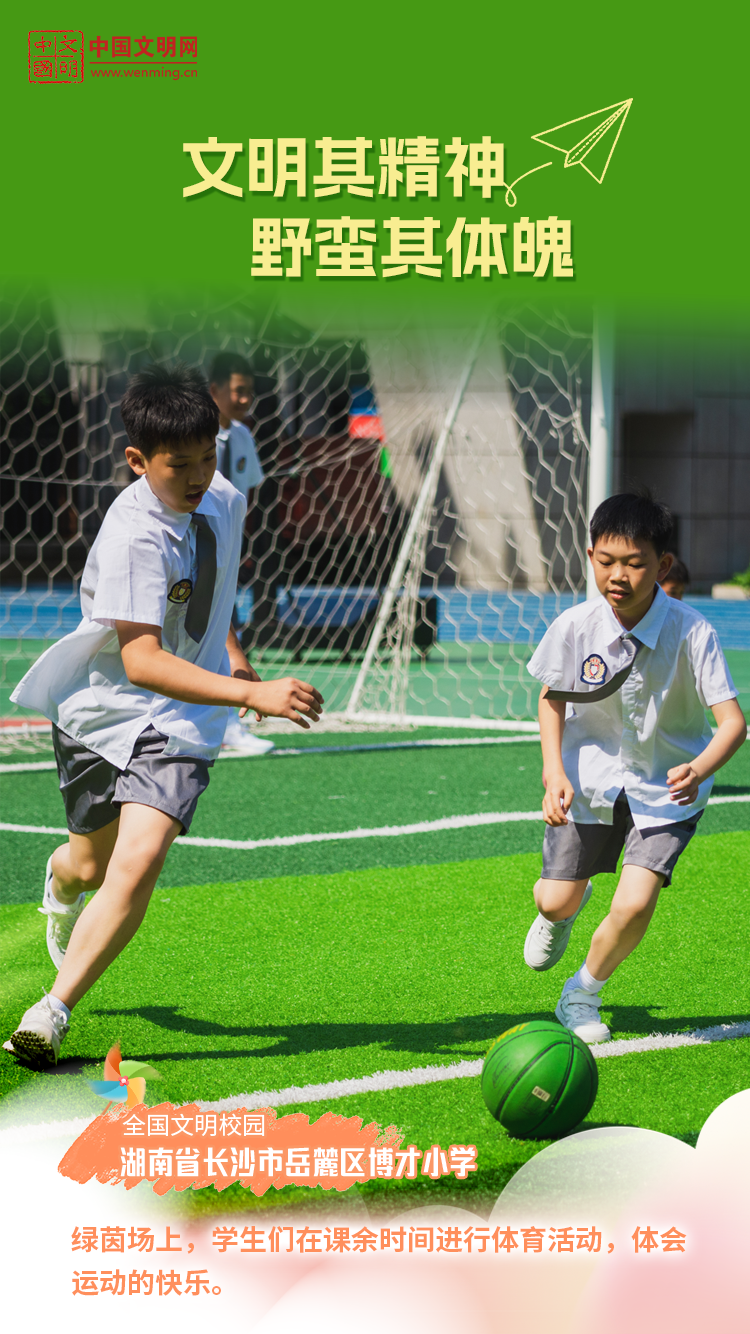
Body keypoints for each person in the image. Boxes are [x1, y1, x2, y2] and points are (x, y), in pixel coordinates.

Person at [4, 364, 323, 1067]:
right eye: (180, 464)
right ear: (137, 460)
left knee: (141, 857)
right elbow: (143, 661)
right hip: (103, 709)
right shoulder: (133, 536)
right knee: (90, 864)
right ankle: (61, 881)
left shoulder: (225, 497)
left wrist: (233, 656)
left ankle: (51, 1013)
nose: (199, 475)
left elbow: (212, 586)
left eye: (208, 457)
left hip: (182, 721)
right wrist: (253, 695)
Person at [523, 493, 746, 1043]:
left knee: (637, 900)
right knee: (554, 899)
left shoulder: (693, 631)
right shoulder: (575, 625)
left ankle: (582, 992)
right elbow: (552, 699)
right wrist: (554, 772)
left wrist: (699, 768)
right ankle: (564, 908)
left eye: (634, 563)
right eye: (606, 561)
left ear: (662, 564)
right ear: (590, 556)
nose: (617, 575)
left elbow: (732, 724)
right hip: (589, 780)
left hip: (665, 791)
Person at [208, 351, 271, 755]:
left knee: (223, 632)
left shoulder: (243, 438)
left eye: (250, 392)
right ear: (214, 389)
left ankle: (227, 722)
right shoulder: (196, 437)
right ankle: (224, 722)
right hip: (193, 550)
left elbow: (246, 496)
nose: (245, 399)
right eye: (238, 391)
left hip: (225, 553)